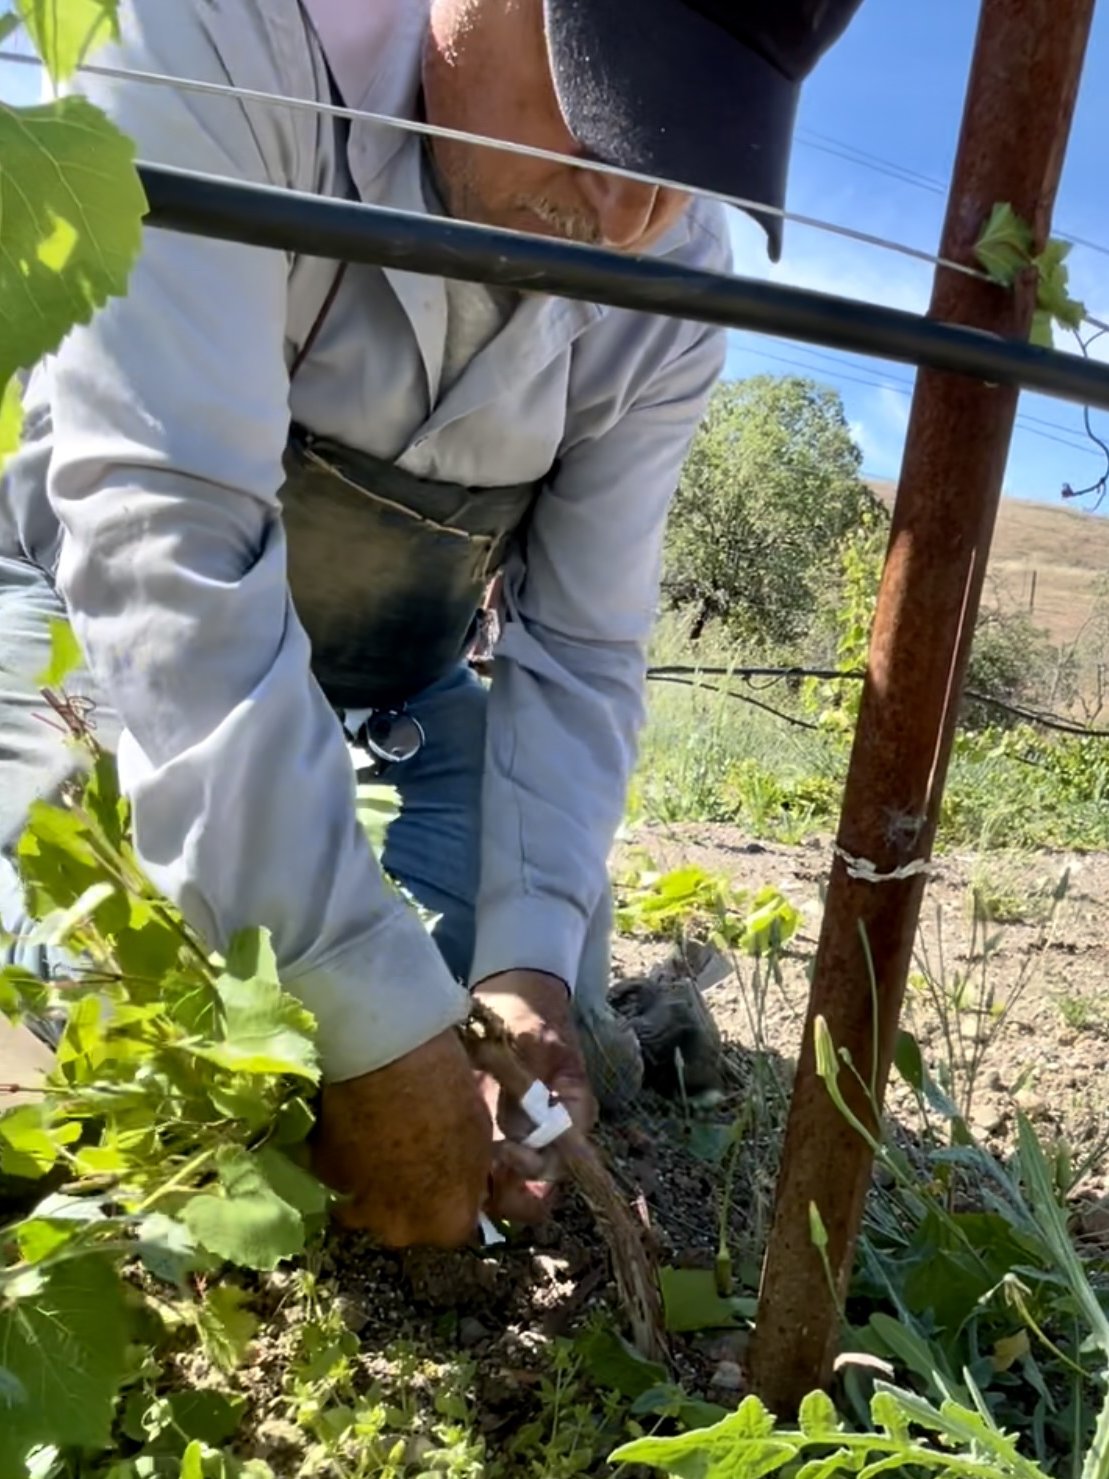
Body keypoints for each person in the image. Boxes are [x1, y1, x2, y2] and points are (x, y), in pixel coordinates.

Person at [0, 0, 864, 1249]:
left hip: (399, 695)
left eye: (680, 162)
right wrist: (367, 1027)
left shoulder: (673, 280)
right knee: (102, 996)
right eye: (603, 121)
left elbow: (576, 646)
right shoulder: (216, 41)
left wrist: (519, 977)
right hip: (73, 630)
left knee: (512, 1026)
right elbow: (162, 552)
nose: (624, 219)